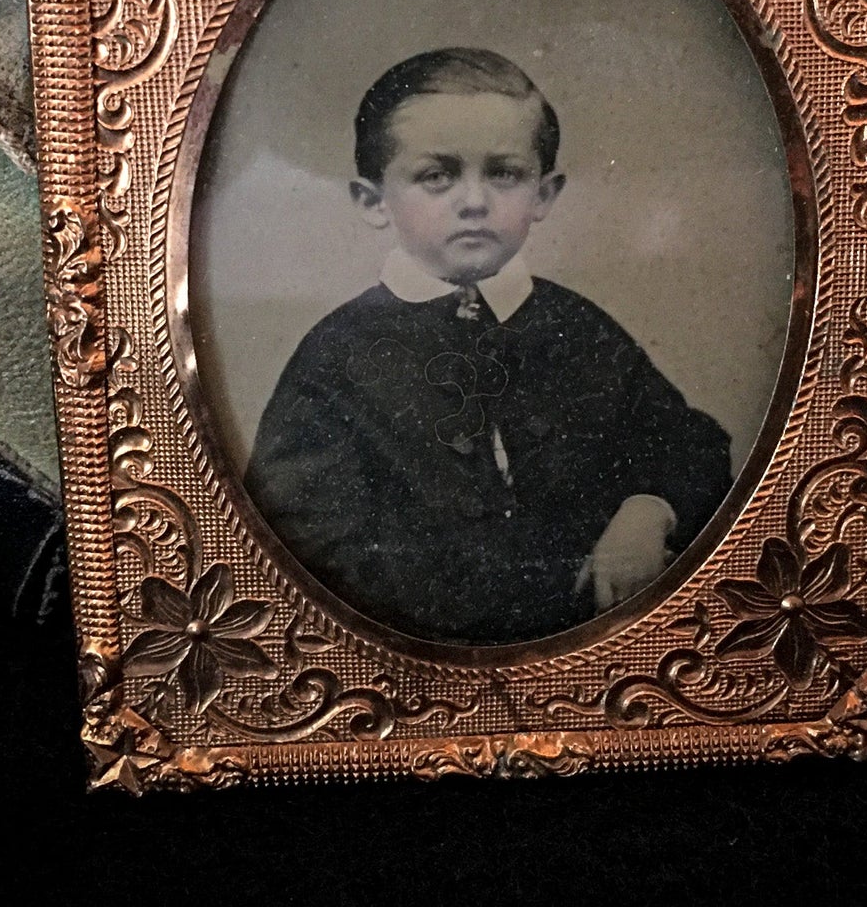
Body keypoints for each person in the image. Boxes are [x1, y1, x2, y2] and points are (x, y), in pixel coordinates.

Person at [244, 47, 733, 645]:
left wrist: (647, 511)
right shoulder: (336, 356)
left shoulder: (577, 327)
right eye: (437, 175)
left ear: (544, 194)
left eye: (504, 173)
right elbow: (301, 539)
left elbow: (689, 445)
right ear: (374, 202)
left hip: (593, 645)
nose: (474, 201)